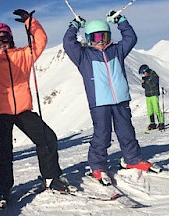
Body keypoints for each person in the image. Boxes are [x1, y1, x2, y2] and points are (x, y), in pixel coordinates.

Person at [0, 9, 75, 207]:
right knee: (3, 153)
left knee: (47, 138)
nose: (0, 42)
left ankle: (51, 177)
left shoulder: (24, 55)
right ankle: (4, 189)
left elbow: (40, 40)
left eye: (4, 37)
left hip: (23, 110)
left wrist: (30, 22)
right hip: (0, 113)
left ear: (11, 38)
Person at [63, 11, 153, 186]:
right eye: (96, 37)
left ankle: (132, 159)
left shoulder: (117, 50)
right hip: (99, 102)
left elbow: (131, 38)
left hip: (120, 99)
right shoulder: (83, 56)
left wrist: (121, 21)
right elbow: (68, 43)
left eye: (104, 36)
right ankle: (98, 165)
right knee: (102, 135)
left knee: (126, 131)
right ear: (89, 38)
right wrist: (74, 26)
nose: (101, 40)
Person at [139, 64, 165, 130]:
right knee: (149, 110)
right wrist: (143, 82)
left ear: (146, 71)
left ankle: (161, 122)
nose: (143, 75)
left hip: (154, 94)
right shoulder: (145, 77)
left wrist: (146, 80)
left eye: (143, 73)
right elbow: (144, 86)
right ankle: (152, 123)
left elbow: (153, 84)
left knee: (156, 109)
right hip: (148, 95)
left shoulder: (153, 75)